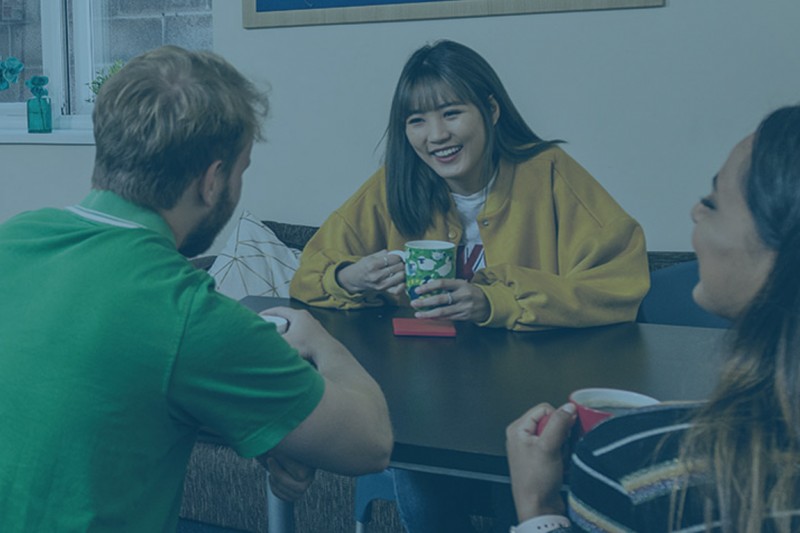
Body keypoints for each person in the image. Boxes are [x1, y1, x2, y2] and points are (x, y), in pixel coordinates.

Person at [0, 46, 392, 531]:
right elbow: (370, 442)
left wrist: (258, 422)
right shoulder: (188, 314)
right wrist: (314, 335)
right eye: (241, 170)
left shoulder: (14, 236)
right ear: (212, 181)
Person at [290, 39, 649, 532]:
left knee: (517, 474)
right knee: (411, 459)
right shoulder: (395, 183)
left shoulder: (548, 173)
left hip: (531, 393)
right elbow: (309, 271)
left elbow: (620, 278)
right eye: (416, 121)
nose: (435, 135)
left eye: (451, 113)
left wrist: (494, 300)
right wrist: (349, 276)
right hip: (425, 400)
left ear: (491, 110)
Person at [506, 104, 800, 532]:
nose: (696, 212)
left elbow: (608, 283)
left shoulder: (625, 465)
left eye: (714, 202)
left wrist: (539, 509)